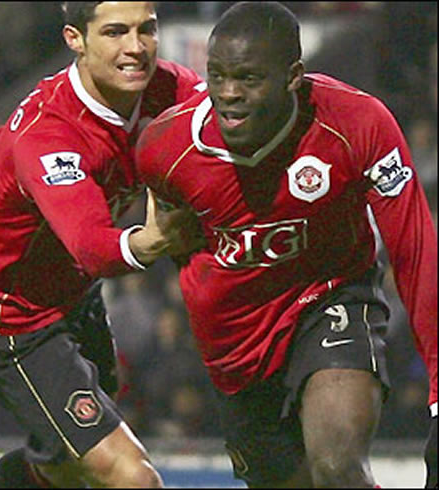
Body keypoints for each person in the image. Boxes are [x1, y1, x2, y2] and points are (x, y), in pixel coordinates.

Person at [136, 2, 437, 488]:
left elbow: (416, 252)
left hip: (331, 297)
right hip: (236, 346)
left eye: (249, 79)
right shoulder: (166, 148)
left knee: (337, 469)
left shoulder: (357, 124)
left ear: (293, 75)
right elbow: (159, 229)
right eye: (217, 76)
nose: (229, 95)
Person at [0, 2, 206, 488]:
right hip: (10, 317)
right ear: (75, 39)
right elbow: (94, 248)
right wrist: (153, 239)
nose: (135, 48)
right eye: (114, 32)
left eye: (145, 29)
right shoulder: (50, 133)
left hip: (74, 298)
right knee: (132, 478)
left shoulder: (170, 90)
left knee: (64, 468)